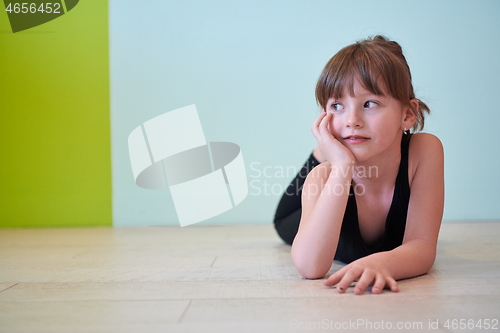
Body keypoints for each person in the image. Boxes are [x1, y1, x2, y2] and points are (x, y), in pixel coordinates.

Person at [273, 35, 444, 295]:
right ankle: (324, 150)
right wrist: (341, 166)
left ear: (408, 115)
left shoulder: (424, 151)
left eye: (370, 103)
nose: (352, 119)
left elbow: (421, 246)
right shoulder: (322, 177)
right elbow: (310, 268)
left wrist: (383, 262)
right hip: (300, 207)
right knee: (288, 214)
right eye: (337, 105)